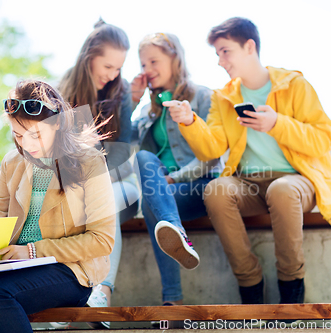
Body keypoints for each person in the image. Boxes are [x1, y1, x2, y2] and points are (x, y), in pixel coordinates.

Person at [167, 17, 331, 305]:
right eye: (217, 54)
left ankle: (291, 286)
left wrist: (277, 123)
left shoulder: (295, 85)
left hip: (296, 181)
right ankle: (250, 284)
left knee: (282, 190)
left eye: (225, 51)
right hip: (249, 184)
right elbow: (211, 148)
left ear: (249, 46)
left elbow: (323, 138)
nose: (220, 61)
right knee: (216, 189)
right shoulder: (224, 97)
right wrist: (190, 121)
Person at [0, 79, 116, 333]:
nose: (27, 144)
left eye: (36, 134)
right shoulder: (12, 162)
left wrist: (33, 251)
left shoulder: (88, 161)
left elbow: (102, 240)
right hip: (12, 268)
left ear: (57, 123)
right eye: (18, 135)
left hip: (71, 271)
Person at [57, 19, 139, 327]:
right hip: (77, 190)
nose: (113, 74)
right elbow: (52, 154)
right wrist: (75, 144)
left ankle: (102, 290)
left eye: (119, 67)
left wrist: (93, 153)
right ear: (89, 56)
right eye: (108, 65)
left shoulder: (122, 91)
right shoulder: (64, 89)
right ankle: (65, 296)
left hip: (121, 185)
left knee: (103, 204)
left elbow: (125, 148)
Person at [131, 32, 222, 305]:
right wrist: (132, 100)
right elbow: (119, 142)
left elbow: (213, 157)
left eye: (153, 61)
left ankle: (172, 299)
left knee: (151, 201)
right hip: (164, 190)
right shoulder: (148, 111)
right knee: (144, 158)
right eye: (143, 64)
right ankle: (174, 229)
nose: (147, 70)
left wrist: (173, 179)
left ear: (174, 58)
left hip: (201, 185)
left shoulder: (203, 97)